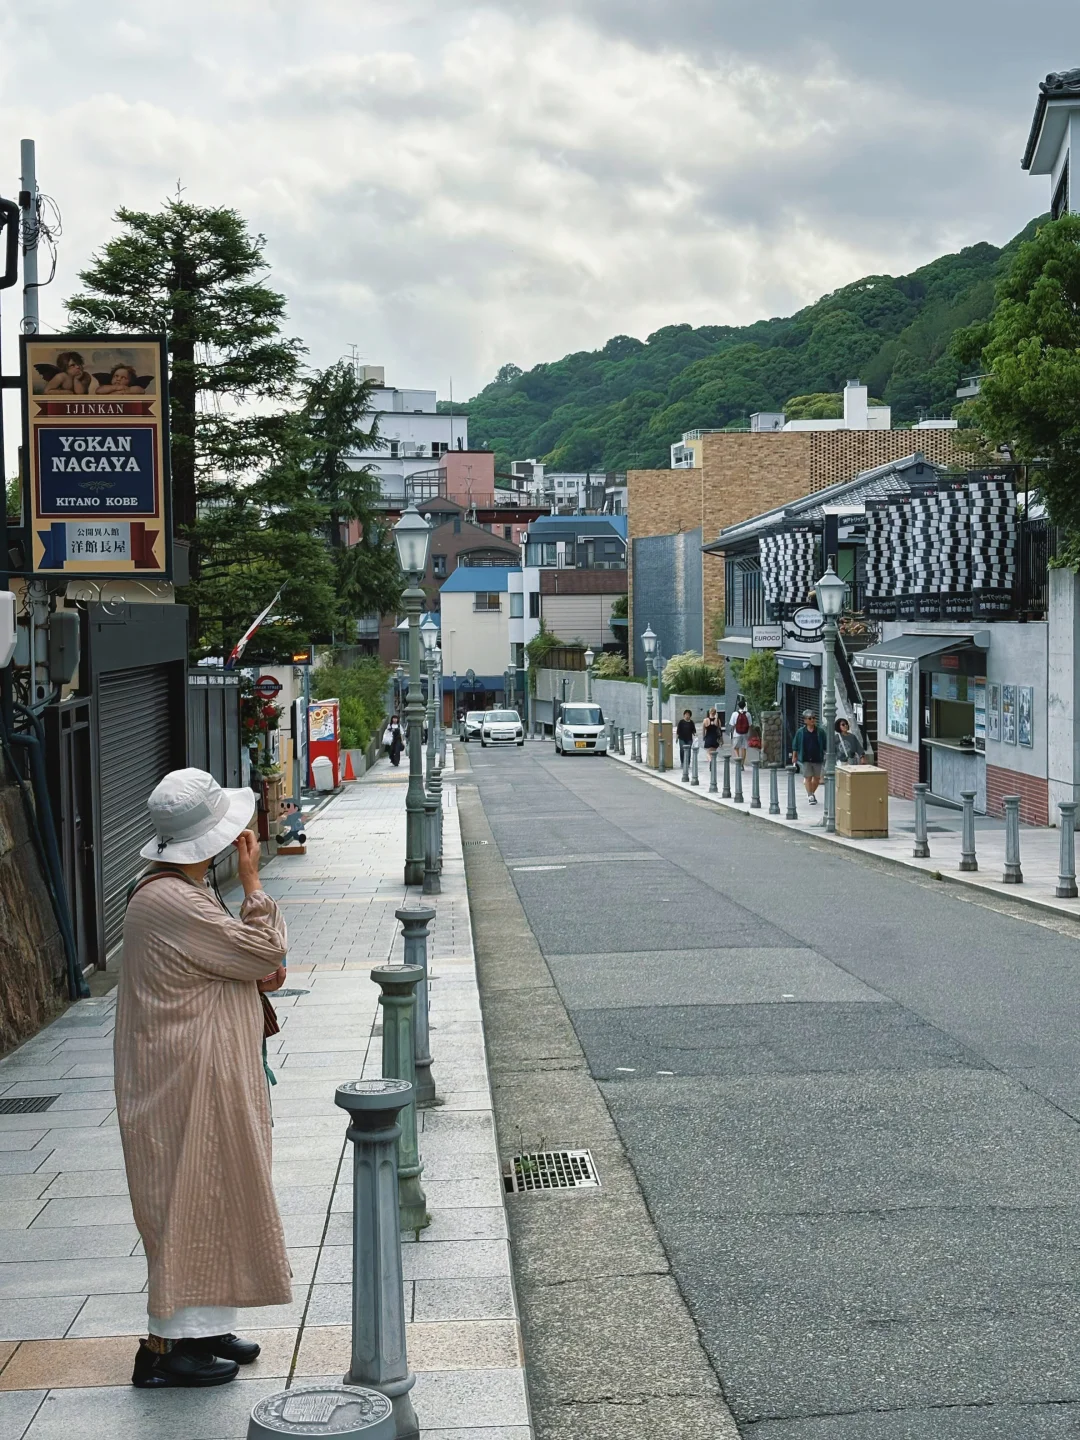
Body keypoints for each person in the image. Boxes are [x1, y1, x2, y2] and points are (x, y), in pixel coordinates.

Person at [115, 768, 292, 1389]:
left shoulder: (178, 889)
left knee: (216, 1191)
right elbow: (263, 951)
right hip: (186, 1081)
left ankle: (204, 1329)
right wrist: (254, 884)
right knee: (188, 1198)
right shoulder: (173, 900)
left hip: (196, 1074)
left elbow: (244, 959)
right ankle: (166, 1351)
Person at [791, 709, 825, 805]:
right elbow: (795, 745)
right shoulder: (800, 732)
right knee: (808, 777)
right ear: (805, 720)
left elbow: (825, 744)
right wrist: (794, 756)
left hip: (817, 757)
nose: (812, 720)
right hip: (806, 758)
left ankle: (811, 793)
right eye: (810, 718)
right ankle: (810, 796)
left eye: (814, 718)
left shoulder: (820, 731)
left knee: (817, 778)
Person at [730, 696, 752, 764]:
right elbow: (750, 725)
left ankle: (738, 760)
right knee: (744, 748)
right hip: (745, 733)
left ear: (738, 706)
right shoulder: (748, 714)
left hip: (737, 733)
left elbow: (732, 724)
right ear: (745, 706)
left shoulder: (734, 714)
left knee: (736, 747)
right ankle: (742, 763)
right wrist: (749, 734)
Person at [676, 708, 696, 781]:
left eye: (688, 715)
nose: (687, 716)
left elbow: (694, 730)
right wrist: (676, 738)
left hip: (689, 739)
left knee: (689, 751)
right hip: (682, 738)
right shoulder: (681, 722)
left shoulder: (691, 722)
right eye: (686, 714)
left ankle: (687, 763)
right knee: (682, 750)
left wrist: (695, 735)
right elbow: (678, 731)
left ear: (690, 716)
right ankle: (682, 762)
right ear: (684, 715)